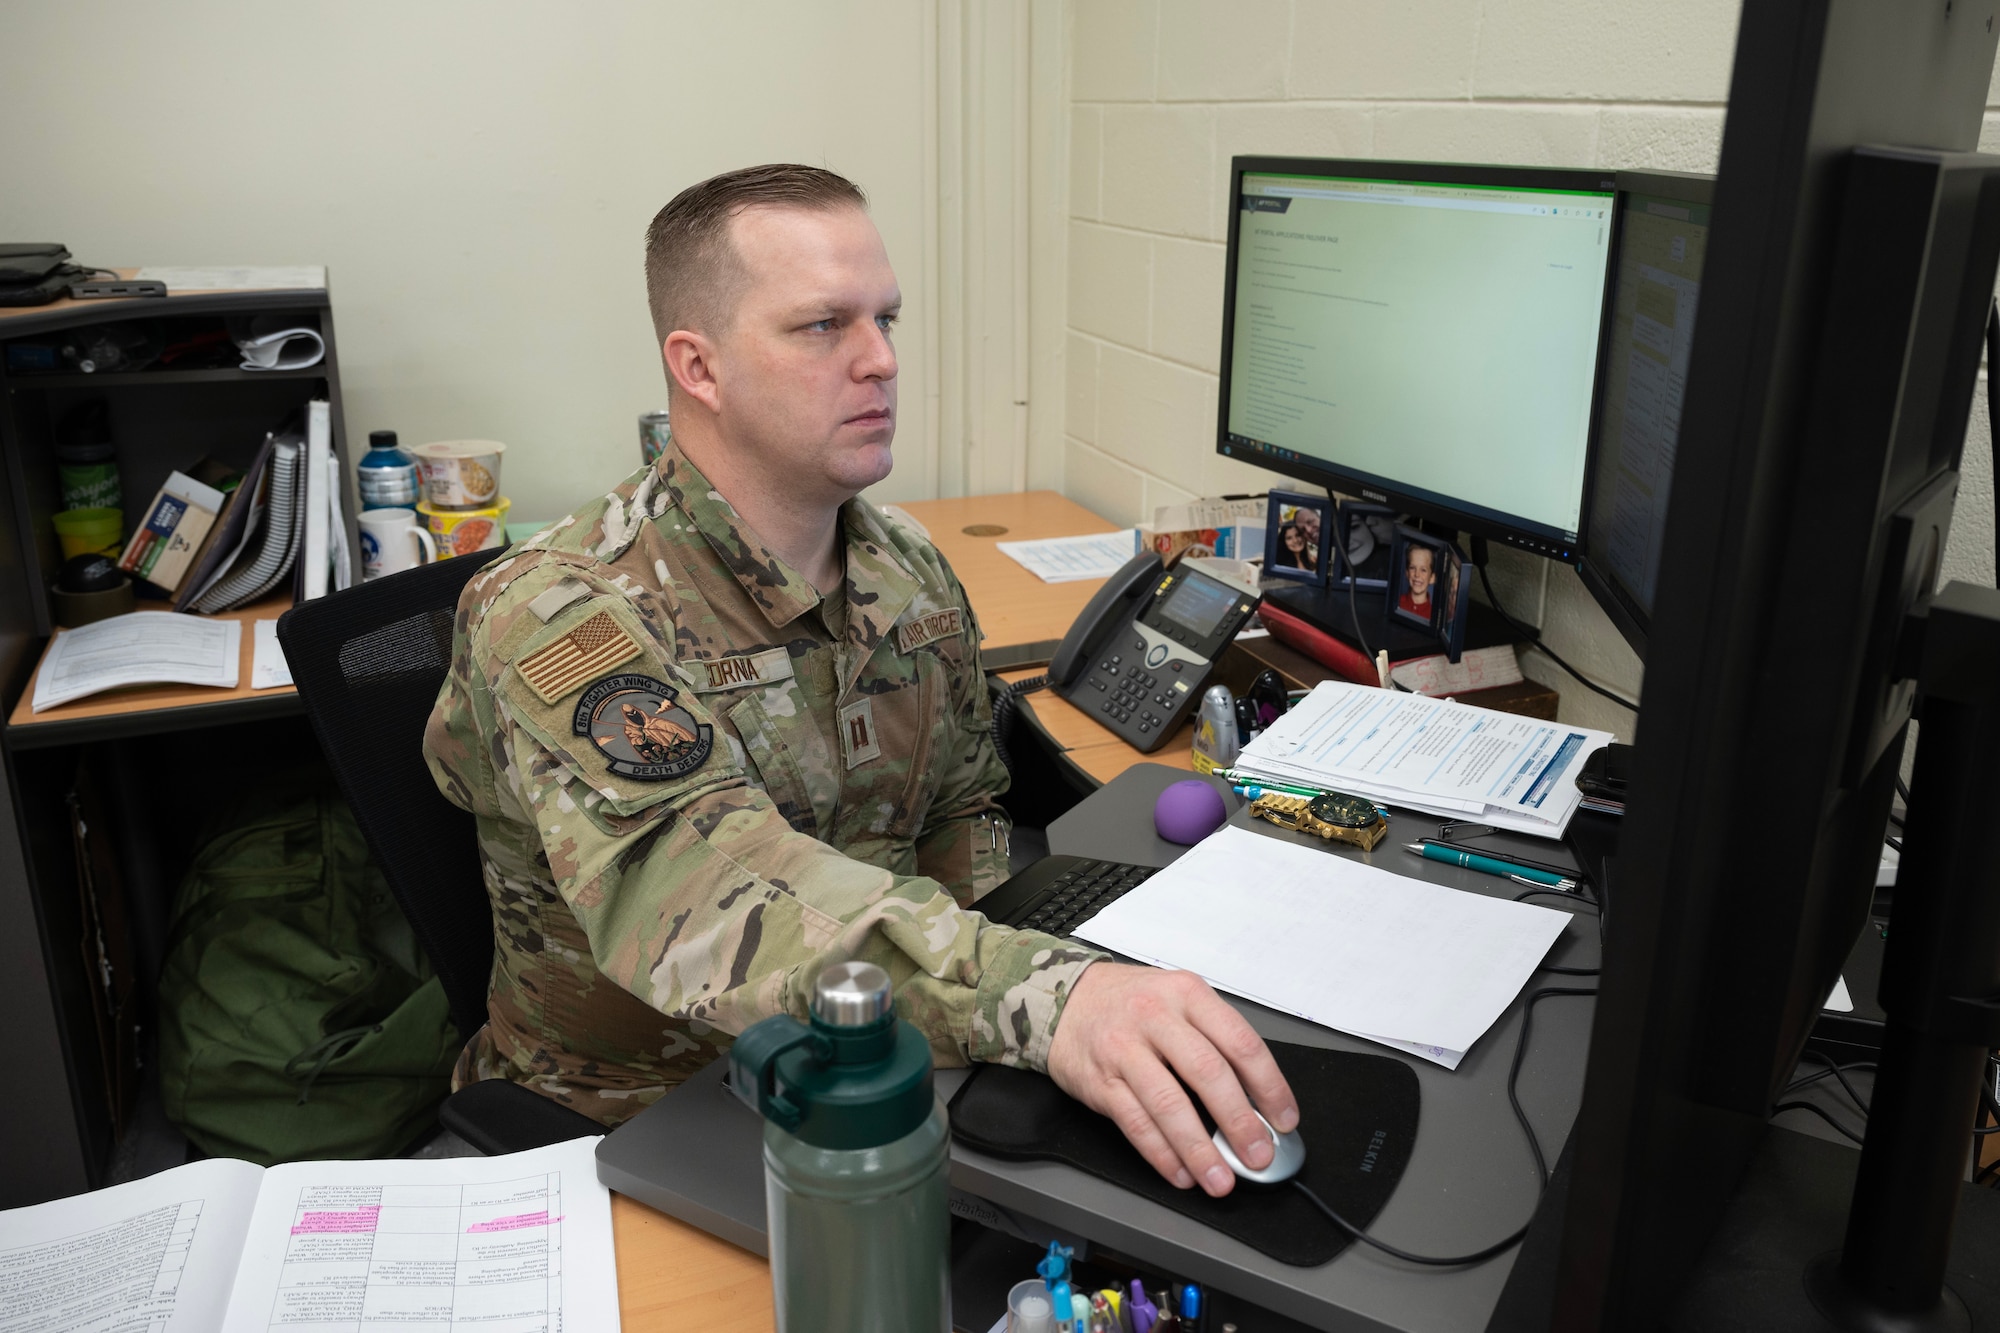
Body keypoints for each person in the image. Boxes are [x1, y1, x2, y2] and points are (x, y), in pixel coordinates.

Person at [424, 164, 1295, 1197]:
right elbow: (710, 896)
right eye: (821, 326)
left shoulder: (905, 567)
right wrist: (1039, 999)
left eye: (885, 319)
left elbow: (965, 804)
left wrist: (1007, 999)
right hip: (648, 1122)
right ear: (697, 367)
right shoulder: (565, 613)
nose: (879, 361)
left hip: (895, 1069)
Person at [1397, 542, 1436, 620]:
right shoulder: (1397, 603)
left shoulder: (1433, 616)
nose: (1417, 574)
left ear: (1432, 578)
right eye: (1412, 568)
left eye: (1423, 570)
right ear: (1407, 573)